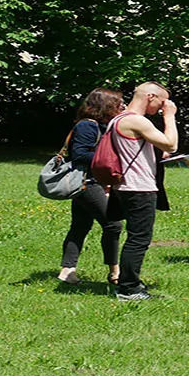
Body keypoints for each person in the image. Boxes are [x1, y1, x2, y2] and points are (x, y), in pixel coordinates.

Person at [107, 83, 179, 301]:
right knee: (139, 238)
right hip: (138, 187)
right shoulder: (136, 120)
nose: (162, 107)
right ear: (150, 96)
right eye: (161, 102)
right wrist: (170, 116)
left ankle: (129, 283)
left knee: (136, 236)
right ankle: (129, 289)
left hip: (125, 185)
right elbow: (171, 144)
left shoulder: (117, 119)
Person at [57, 88, 125, 285]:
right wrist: (110, 160)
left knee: (80, 226)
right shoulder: (87, 126)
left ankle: (67, 271)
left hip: (92, 182)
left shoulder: (104, 126)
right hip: (87, 183)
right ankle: (115, 271)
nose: (121, 106)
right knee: (113, 224)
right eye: (117, 103)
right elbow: (79, 155)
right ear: (104, 105)